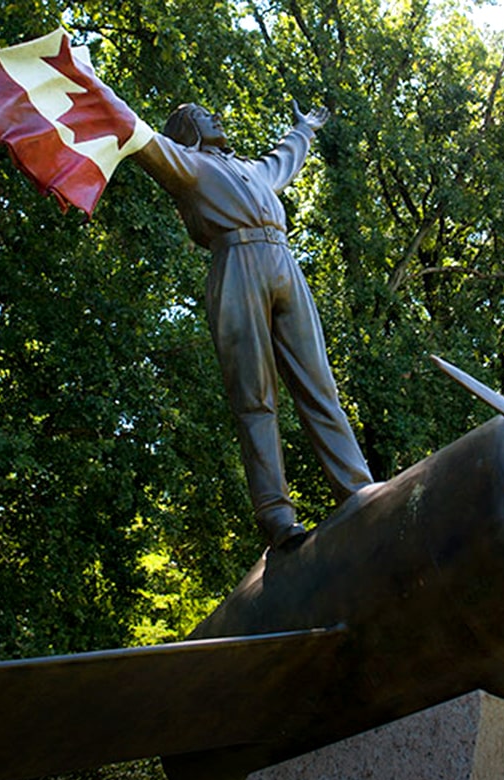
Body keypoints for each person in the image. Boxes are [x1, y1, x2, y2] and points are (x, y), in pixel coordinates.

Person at [131, 101, 374, 550]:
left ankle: (357, 488)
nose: (218, 117)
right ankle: (277, 517)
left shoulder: (251, 171)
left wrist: (303, 130)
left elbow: (284, 160)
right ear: (188, 129)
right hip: (236, 263)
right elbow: (136, 132)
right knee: (255, 397)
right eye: (205, 114)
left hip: (284, 262)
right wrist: (90, 83)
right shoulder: (186, 165)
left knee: (320, 385)